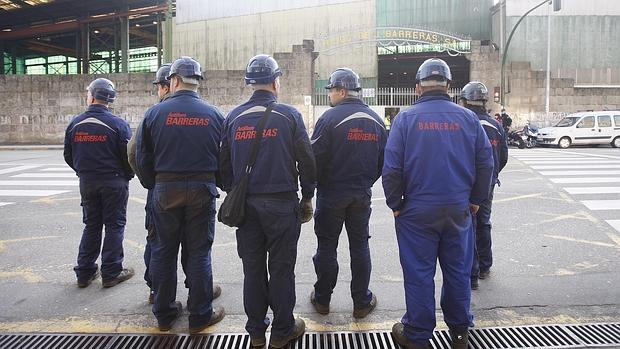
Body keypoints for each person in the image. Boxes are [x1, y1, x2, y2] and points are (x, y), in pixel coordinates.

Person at [382, 58, 494, 349]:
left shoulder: (405, 119)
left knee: (419, 272)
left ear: (418, 87)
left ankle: (417, 334)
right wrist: (476, 200)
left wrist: (396, 203)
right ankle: (459, 332)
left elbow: (392, 169)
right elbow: (486, 164)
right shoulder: (468, 119)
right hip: (459, 208)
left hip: (416, 210)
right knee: (458, 270)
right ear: (449, 87)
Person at [220, 54, 316, 349]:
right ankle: (283, 330)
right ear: (276, 81)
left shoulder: (233, 118)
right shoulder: (289, 116)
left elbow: (222, 168)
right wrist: (308, 195)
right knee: (281, 268)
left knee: (253, 269)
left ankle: (256, 333)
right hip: (282, 204)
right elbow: (307, 161)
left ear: (250, 83)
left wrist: (235, 191)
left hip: (247, 207)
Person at [135, 56, 225, 333]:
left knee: (163, 250)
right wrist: (215, 182)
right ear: (197, 82)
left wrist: (155, 183)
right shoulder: (214, 114)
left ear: (173, 81)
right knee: (198, 251)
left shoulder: (154, 114)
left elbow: (141, 157)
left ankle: (164, 314)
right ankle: (200, 315)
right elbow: (224, 158)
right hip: (202, 188)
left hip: (165, 188)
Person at [309, 68, 386, 318]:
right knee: (360, 247)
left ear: (342, 91)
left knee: (327, 247)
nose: (330, 95)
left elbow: (314, 159)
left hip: (331, 194)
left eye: (331, 90)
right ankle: (361, 302)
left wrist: (316, 187)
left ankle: (322, 300)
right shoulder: (375, 120)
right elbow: (383, 162)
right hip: (361, 194)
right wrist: (365, 182)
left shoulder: (329, 119)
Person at [64, 77, 135, 288]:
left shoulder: (75, 123)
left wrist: (83, 171)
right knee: (114, 225)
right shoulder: (118, 125)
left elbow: (69, 155)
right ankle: (111, 272)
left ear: (92, 96)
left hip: (87, 181)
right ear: (109, 99)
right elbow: (129, 156)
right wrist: (125, 175)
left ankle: (84, 273)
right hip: (114, 181)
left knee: (91, 225)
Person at [459, 82, 508, 290]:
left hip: (468, 184)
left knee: (469, 226)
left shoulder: (463, 124)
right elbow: (503, 156)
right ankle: (485, 265)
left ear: (464, 101)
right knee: (484, 222)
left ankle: (473, 271)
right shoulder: (495, 125)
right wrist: (493, 174)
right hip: (488, 184)